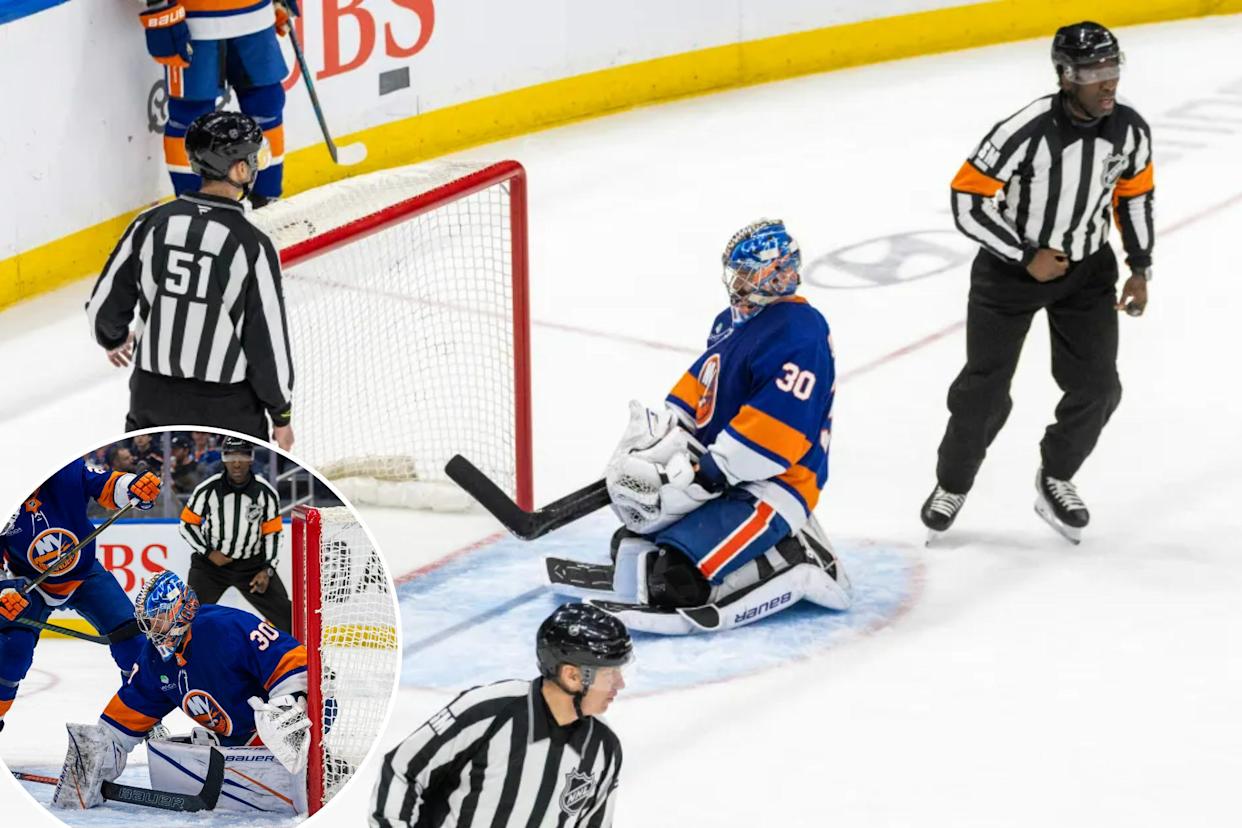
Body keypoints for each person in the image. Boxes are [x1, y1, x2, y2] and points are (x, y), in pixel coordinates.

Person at [545, 220, 851, 635]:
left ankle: (794, 553)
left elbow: (778, 432)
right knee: (629, 547)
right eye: (736, 273)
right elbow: (702, 392)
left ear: (776, 273)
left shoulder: (801, 332)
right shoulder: (730, 321)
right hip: (725, 474)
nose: (737, 282)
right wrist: (662, 447)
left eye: (747, 273)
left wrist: (708, 473)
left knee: (674, 580)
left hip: (776, 485)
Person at [921, 21, 1155, 543]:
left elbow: (1135, 195)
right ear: (1065, 75)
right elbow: (967, 198)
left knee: (1099, 388)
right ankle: (952, 483)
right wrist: (1024, 254)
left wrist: (1140, 267)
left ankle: (1056, 476)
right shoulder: (1024, 130)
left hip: (1088, 272)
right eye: (1093, 72)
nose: (1108, 82)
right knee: (983, 390)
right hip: (1009, 275)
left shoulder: (1130, 130)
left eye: (1113, 68)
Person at [84, 110, 295, 450]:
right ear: (239, 170)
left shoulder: (150, 223)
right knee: (232, 483)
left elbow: (102, 309)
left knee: (149, 480)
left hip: (151, 394)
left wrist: (114, 338)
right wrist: (281, 413)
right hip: (227, 407)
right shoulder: (252, 243)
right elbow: (266, 341)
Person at [50, 571, 311, 812]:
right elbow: (122, 721)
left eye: (159, 618)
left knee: (281, 723)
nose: (153, 629)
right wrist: (93, 757)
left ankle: (316, 769)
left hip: (304, 720)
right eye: (148, 622)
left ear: (181, 609)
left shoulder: (225, 627)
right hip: (240, 741)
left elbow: (293, 662)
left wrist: (288, 706)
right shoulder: (154, 660)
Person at [371, 603, 630, 827]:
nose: (620, 684)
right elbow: (402, 771)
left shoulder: (604, 747)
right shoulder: (487, 711)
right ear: (572, 676)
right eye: (610, 674)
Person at [0, 459, 161, 733]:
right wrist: (3, 589)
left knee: (133, 641)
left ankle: (145, 718)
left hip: (85, 574)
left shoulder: (64, 470)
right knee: (12, 650)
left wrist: (134, 486)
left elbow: (106, 485)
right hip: (28, 585)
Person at [136, 0, 298, 208]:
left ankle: (268, 200)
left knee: (266, 104)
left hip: (256, 15)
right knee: (190, 115)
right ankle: (192, 207)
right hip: (194, 21)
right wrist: (158, 7)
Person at [178, 436, 291, 632]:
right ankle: (181, 652)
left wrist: (267, 569)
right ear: (223, 459)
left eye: (242, 457)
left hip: (252, 566)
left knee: (288, 617)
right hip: (210, 566)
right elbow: (187, 525)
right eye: (231, 457)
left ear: (251, 458)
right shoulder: (207, 489)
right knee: (187, 617)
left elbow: (273, 534)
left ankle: (301, 651)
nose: (236, 463)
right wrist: (209, 553)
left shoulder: (265, 492)